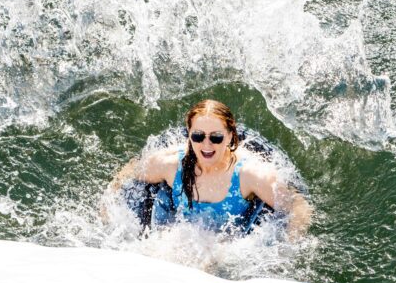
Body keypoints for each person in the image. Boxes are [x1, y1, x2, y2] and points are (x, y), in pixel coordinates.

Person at [110, 99, 312, 239]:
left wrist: (287, 247)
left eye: (216, 137)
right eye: (198, 136)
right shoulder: (171, 165)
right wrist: (108, 205)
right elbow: (132, 171)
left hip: (226, 245)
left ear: (231, 137)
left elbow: (297, 206)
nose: (206, 145)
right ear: (189, 134)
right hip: (179, 236)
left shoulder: (248, 175)